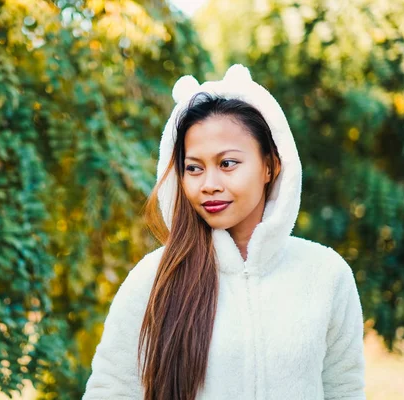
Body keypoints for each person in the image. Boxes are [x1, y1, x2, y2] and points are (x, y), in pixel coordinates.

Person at [82, 64, 366, 400]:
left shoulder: (326, 274)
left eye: (227, 163)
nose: (209, 185)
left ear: (270, 165)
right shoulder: (154, 278)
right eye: (194, 168)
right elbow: (111, 390)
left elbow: (344, 391)